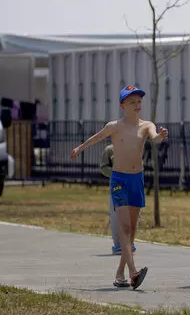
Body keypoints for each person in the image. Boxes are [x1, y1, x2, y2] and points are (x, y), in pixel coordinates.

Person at [71, 85, 169, 290]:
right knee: (124, 227)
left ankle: (120, 274)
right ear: (122, 105)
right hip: (119, 180)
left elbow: (155, 137)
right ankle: (134, 273)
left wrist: (161, 135)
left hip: (137, 180)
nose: (137, 105)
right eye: (132, 102)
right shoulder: (115, 126)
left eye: (139, 101)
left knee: (131, 231)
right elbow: (97, 137)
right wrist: (80, 147)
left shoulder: (146, 125)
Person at [100, 143, 138, 255]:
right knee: (116, 216)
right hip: (116, 186)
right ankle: (118, 244)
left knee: (132, 215)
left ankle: (130, 242)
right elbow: (103, 167)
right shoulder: (110, 150)